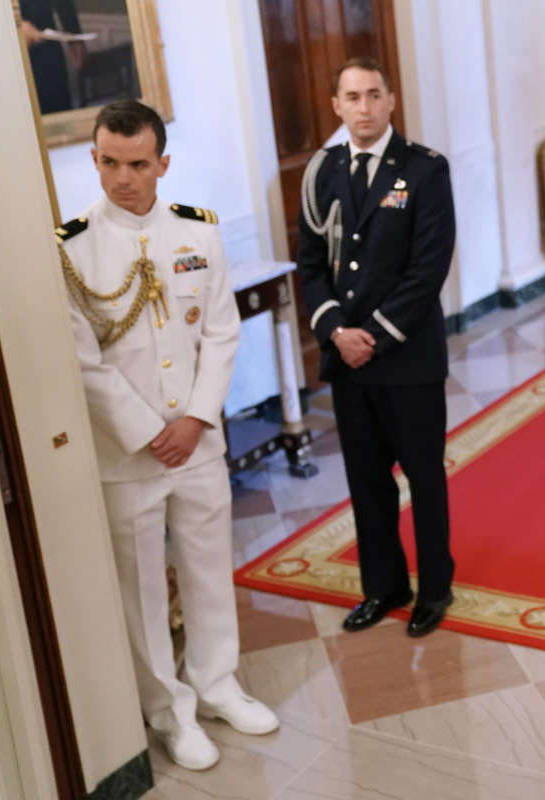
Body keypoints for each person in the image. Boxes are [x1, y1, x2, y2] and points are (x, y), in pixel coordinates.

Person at [58, 100, 278, 772]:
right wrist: (150, 432)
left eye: (138, 164)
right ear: (95, 159)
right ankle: (169, 711)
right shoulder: (70, 249)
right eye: (110, 163)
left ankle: (217, 684)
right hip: (129, 455)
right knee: (143, 586)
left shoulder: (198, 235)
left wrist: (195, 420)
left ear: (163, 164)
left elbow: (220, 333)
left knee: (210, 565)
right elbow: (82, 359)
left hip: (198, 441)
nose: (123, 178)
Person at [297, 57, 456, 637]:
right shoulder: (323, 172)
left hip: (407, 357)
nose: (362, 108)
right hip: (348, 360)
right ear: (336, 105)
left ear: (391, 101)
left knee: (423, 476)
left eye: (372, 95)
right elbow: (312, 263)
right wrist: (337, 331)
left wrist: (375, 337)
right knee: (366, 480)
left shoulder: (424, 170)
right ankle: (383, 587)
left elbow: (428, 267)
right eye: (351, 97)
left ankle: (434, 589)